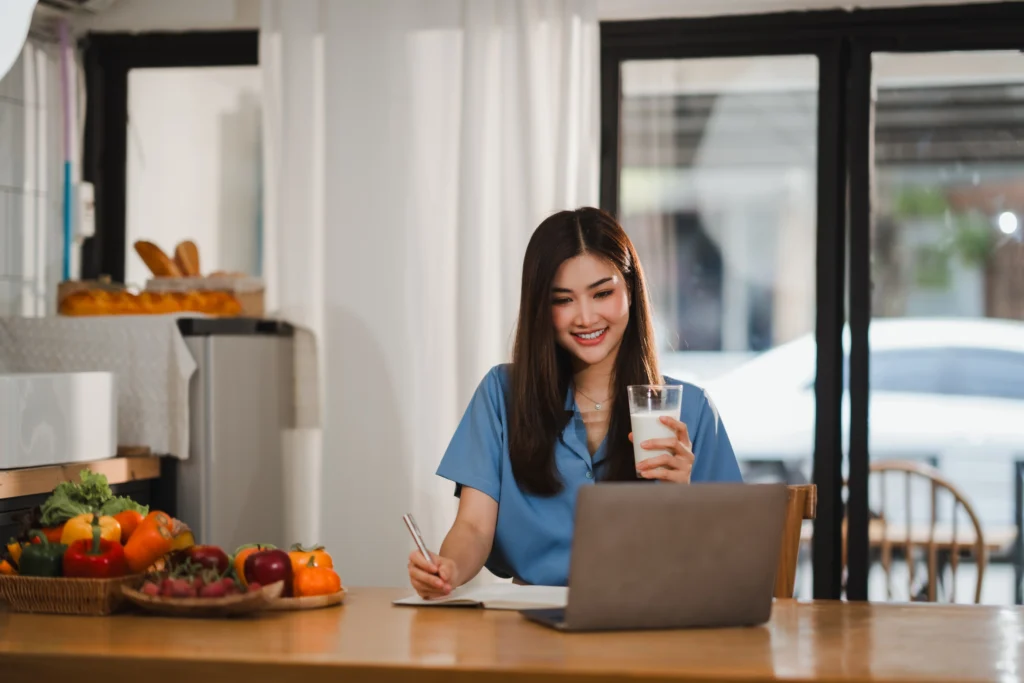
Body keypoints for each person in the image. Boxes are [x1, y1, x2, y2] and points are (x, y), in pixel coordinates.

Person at [407, 207, 743, 598]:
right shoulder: (502, 395)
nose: (585, 317)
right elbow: (474, 528)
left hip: (648, 624)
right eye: (563, 300)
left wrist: (682, 496)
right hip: (528, 629)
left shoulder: (691, 410)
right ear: (540, 308)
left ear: (630, 290)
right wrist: (448, 568)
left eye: (602, 293)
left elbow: (727, 563)